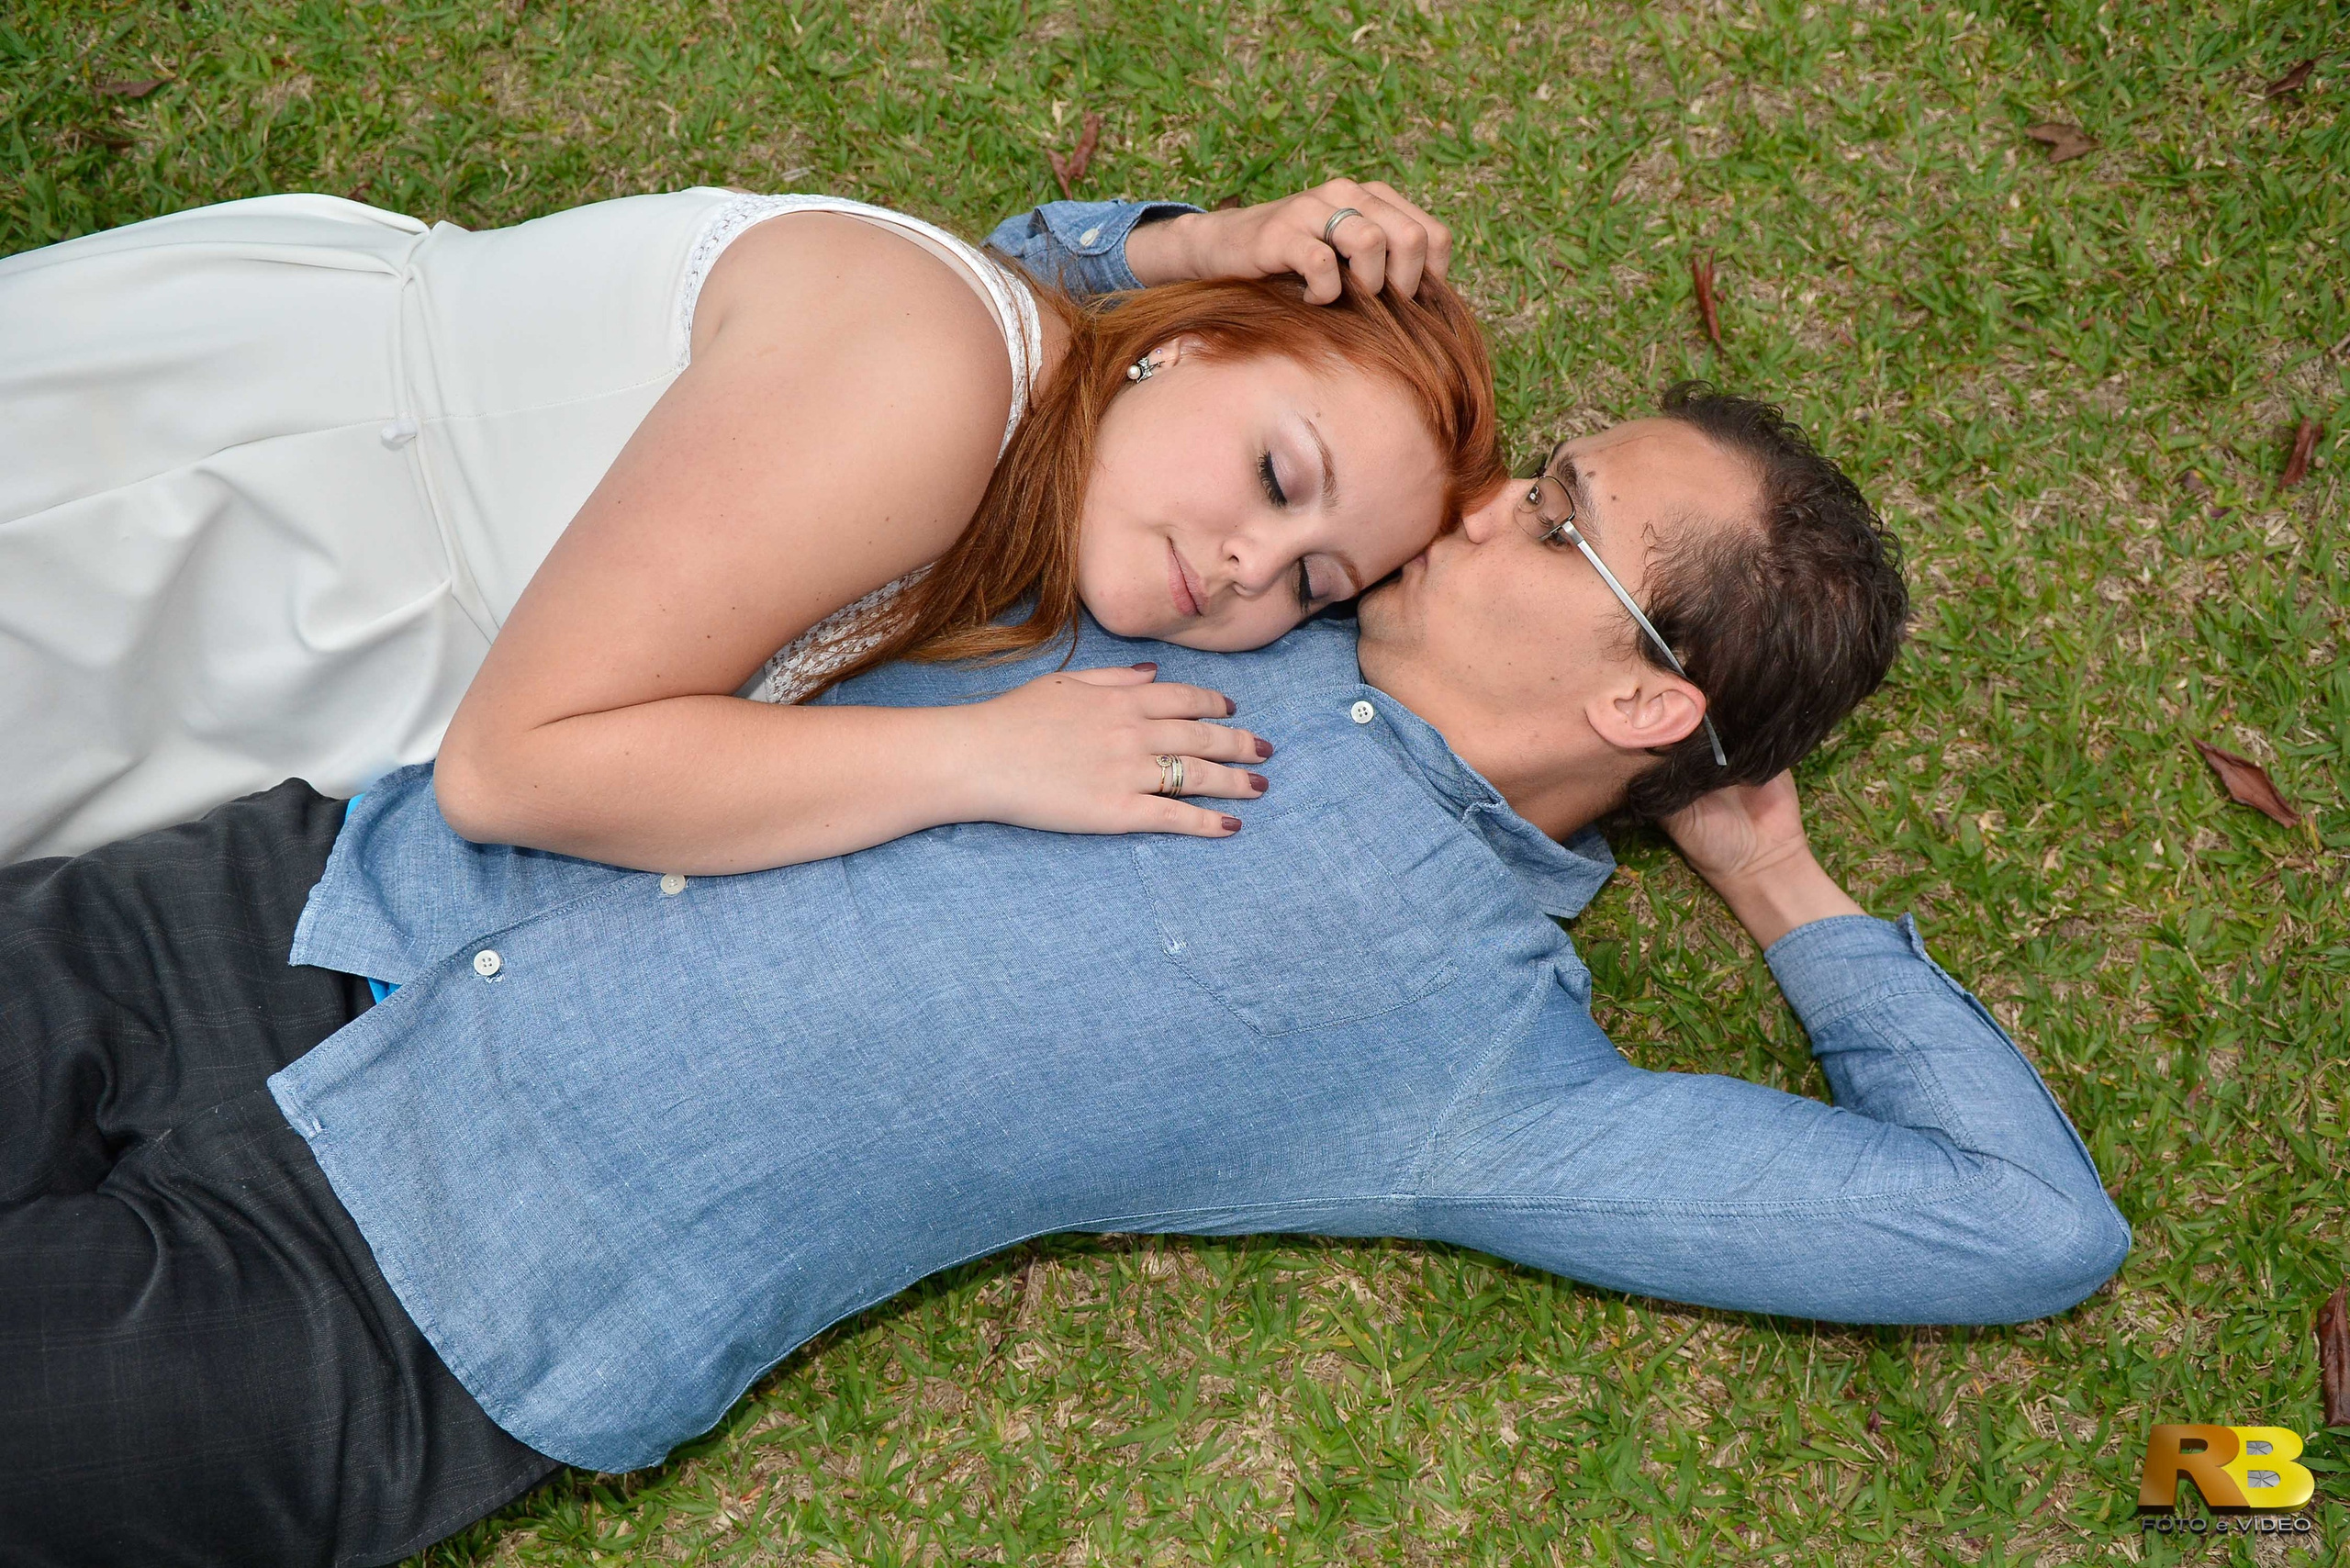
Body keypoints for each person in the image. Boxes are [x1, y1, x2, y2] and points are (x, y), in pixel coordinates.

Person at [0, 377, 2131, 1566]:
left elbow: (2017, 1222)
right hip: (270, 918)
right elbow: (998, 330)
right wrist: (1186, 241)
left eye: (1555, 517)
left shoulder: (1477, 1063)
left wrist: (1772, 874)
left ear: (1645, 702)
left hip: (380, 1311)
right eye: (1540, 461)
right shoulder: (1240, 564)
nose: (1486, 502)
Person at [0, 181, 1494, 868]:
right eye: (1278, 477)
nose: (1247, 568)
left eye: (1312, 582)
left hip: (296, 604)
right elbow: (512, 770)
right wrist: (984, 760)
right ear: (1187, 343)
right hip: (221, 531)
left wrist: (1184, 244)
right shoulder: (933, 382)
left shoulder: (1027, 407)